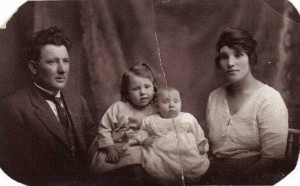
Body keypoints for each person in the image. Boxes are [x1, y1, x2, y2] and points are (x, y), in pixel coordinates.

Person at [0, 26, 97, 185]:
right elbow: (19, 171)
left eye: (65, 61)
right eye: (52, 62)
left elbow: (93, 143)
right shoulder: (12, 108)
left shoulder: (78, 101)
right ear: (33, 67)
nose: (62, 70)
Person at [204, 27, 288, 185]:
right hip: (215, 178)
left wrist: (234, 182)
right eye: (224, 57)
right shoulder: (214, 97)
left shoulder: (269, 99)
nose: (230, 63)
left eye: (238, 55)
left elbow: (273, 159)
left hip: (254, 179)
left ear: (250, 57)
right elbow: (211, 149)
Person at [89, 63, 159, 185]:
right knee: (107, 170)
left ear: (154, 89)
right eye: (136, 88)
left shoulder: (156, 110)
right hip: (116, 146)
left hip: (141, 148)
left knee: (142, 168)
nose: (142, 92)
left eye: (147, 86)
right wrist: (110, 149)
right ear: (126, 93)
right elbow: (104, 128)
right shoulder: (119, 107)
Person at [137, 86, 210, 184]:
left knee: (193, 165)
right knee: (157, 167)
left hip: (187, 153)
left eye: (176, 101)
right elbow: (142, 131)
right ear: (157, 106)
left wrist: (201, 144)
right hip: (162, 154)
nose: (171, 105)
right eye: (166, 102)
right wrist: (145, 139)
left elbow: (199, 133)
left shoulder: (187, 117)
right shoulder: (151, 120)